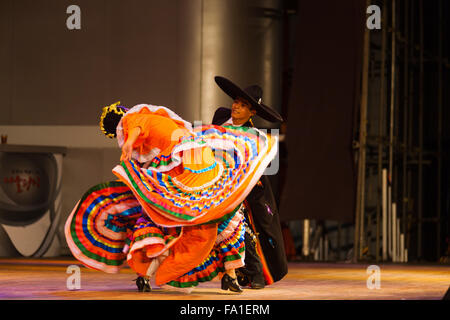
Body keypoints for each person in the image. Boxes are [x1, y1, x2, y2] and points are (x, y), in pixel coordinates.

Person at [65, 101, 278, 293]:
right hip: (193, 159)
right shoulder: (155, 127)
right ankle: (228, 275)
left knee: (167, 219)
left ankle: (146, 274)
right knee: (216, 215)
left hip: (185, 160)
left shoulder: (132, 121)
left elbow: (137, 127)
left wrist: (129, 142)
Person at [212, 76, 288, 289]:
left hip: (246, 187)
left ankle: (255, 273)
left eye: (243, 105)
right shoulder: (220, 119)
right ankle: (233, 273)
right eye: (236, 101)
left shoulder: (254, 136)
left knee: (243, 227)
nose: (236, 106)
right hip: (217, 184)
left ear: (252, 112)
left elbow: (253, 166)